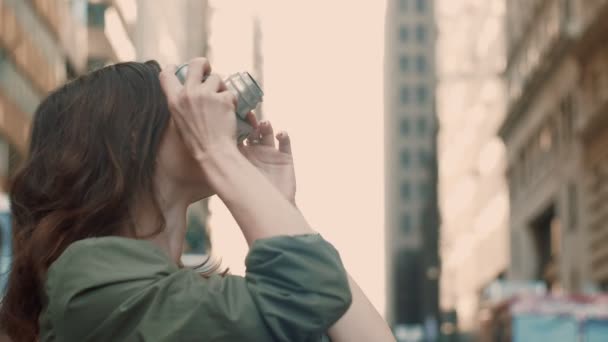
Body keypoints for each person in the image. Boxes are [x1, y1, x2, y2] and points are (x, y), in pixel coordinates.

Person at [0, 58, 395, 341]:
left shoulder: (174, 292)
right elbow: (309, 292)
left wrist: (282, 210)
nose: (199, 107)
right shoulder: (88, 281)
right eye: (177, 103)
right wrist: (218, 153)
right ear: (129, 140)